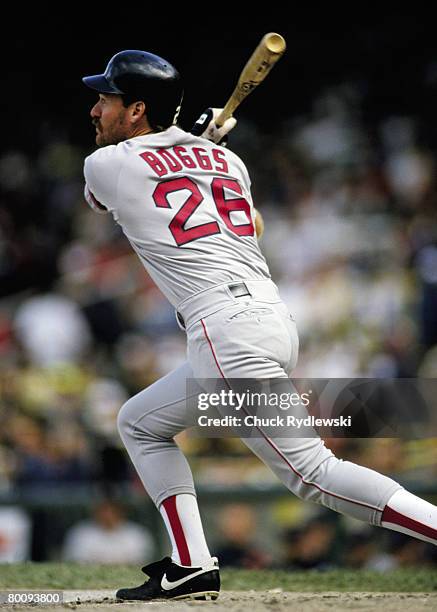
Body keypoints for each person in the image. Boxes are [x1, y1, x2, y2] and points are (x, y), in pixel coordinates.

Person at [82, 49, 437, 602]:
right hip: (267, 322)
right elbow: (250, 225)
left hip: (225, 333)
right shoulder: (234, 164)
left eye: (106, 99)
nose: (95, 109)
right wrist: (203, 150)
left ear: (136, 110)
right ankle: (191, 563)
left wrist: (193, 144)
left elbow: (110, 198)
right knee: (140, 422)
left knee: (313, 473)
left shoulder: (105, 165)